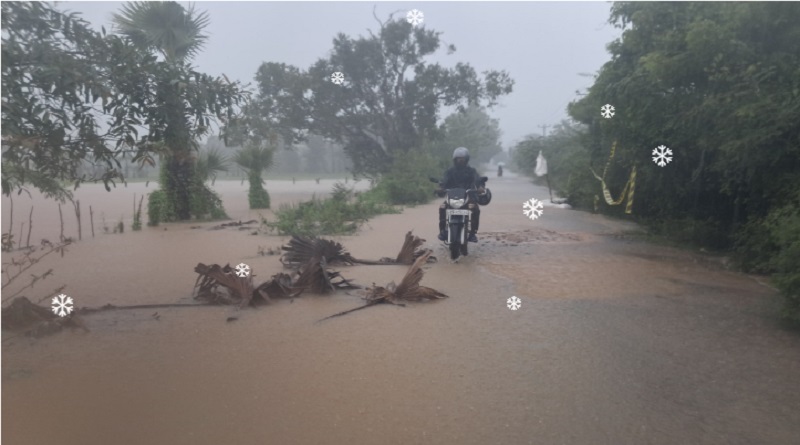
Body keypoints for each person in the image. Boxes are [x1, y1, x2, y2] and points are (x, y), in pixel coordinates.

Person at [437, 147, 483, 243]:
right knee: (442, 207)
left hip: (468, 196)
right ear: (455, 159)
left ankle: (472, 233)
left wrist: (480, 187)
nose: (460, 160)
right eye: (459, 158)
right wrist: (441, 187)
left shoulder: (471, 171)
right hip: (452, 196)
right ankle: (443, 231)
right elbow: (444, 181)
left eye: (462, 159)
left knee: (475, 209)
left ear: (466, 159)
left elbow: (477, 180)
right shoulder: (450, 171)